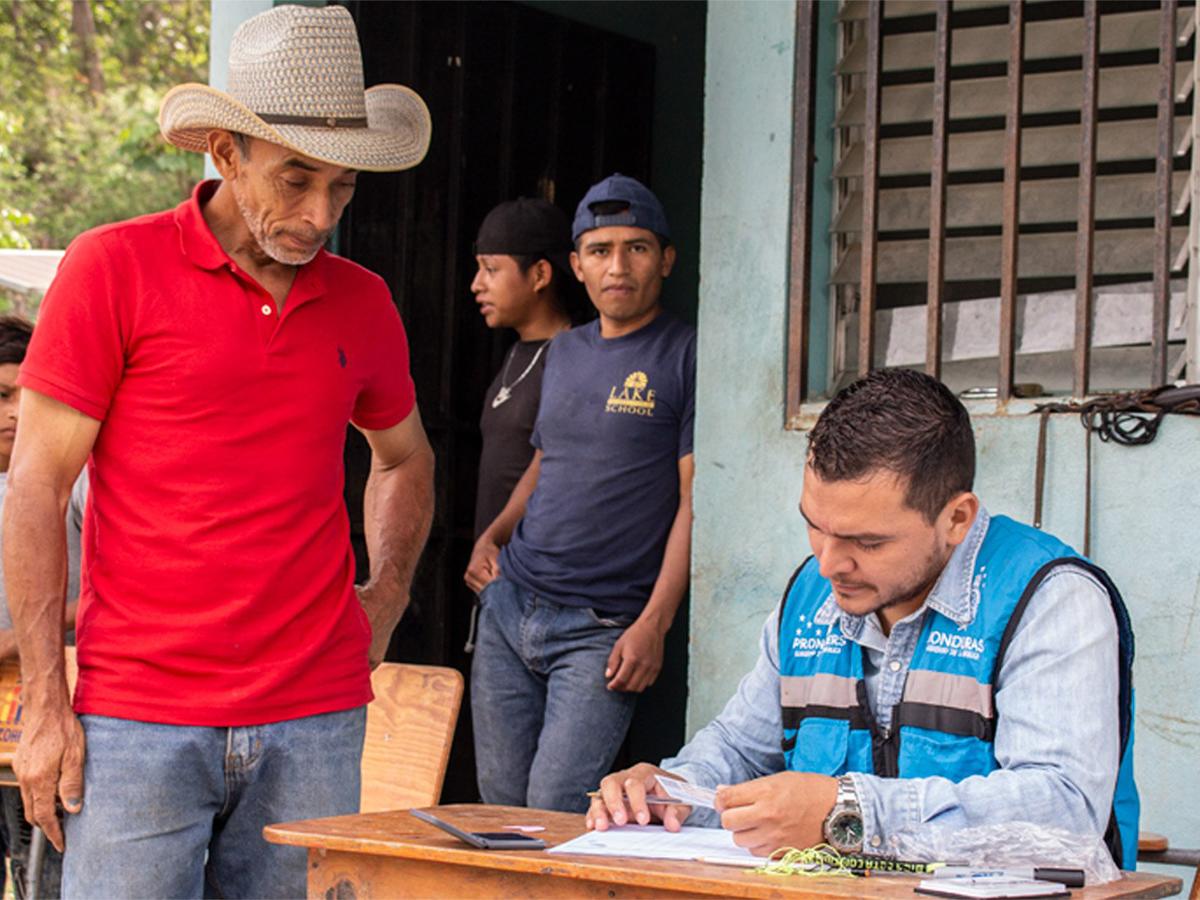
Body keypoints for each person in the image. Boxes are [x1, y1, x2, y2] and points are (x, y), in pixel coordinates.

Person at [2, 6, 435, 898]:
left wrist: (384, 597)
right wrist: (44, 702)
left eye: (343, 189)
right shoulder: (111, 268)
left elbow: (403, 458)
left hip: (316, 716)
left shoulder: (365, 302)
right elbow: (36, 487)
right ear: (227, 152)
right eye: (296, 179)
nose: (319, 215)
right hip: (136, 719)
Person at [588, 368, 1139, 870]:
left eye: (867, 542)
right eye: (815, 526)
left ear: (956, 519)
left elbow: (1065, 810)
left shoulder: (1050, 600)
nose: (829, 564)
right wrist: (673, 790)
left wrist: (848, 814)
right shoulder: (811, 596)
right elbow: (738, 749)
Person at [465, 174, 696, 813]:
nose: (617, 266)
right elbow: (547, 457)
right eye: (599, 250)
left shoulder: (686, 353)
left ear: (666, 259)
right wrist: (495, 533)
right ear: (576, 264)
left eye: (637, 248)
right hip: (511, 609)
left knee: (555, 807)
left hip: (599, 632)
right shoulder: (564, 350)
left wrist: (654, 623)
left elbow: (693, 500)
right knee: (501, 807)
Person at [0, 316, 85, 900]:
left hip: (59, 702)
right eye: (2, 395)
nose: (14, 412)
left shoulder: (78, 478)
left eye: (25, 393)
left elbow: (118, 585)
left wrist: (17, 639)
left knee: (48, 869)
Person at [470, 198, 577, 541]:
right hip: (495, 573)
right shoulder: (516, 353)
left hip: (534, 575)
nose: (476, 284)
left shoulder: (573, 357)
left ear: (540, 275)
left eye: (491, 269)